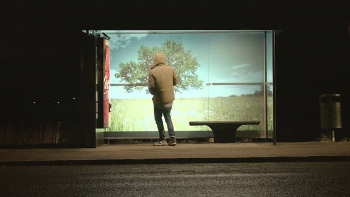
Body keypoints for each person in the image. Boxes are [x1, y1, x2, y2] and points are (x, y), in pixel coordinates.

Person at [148, 52, 179, 146]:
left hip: (159, 100)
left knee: (158, 119)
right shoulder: (171, 69)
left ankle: (163, 139)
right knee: (168, 118)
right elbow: (176, 82)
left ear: (155, 60)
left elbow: (152, 88)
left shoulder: (152, 72)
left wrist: (156, 92)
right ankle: (173, 139)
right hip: (169, 100)